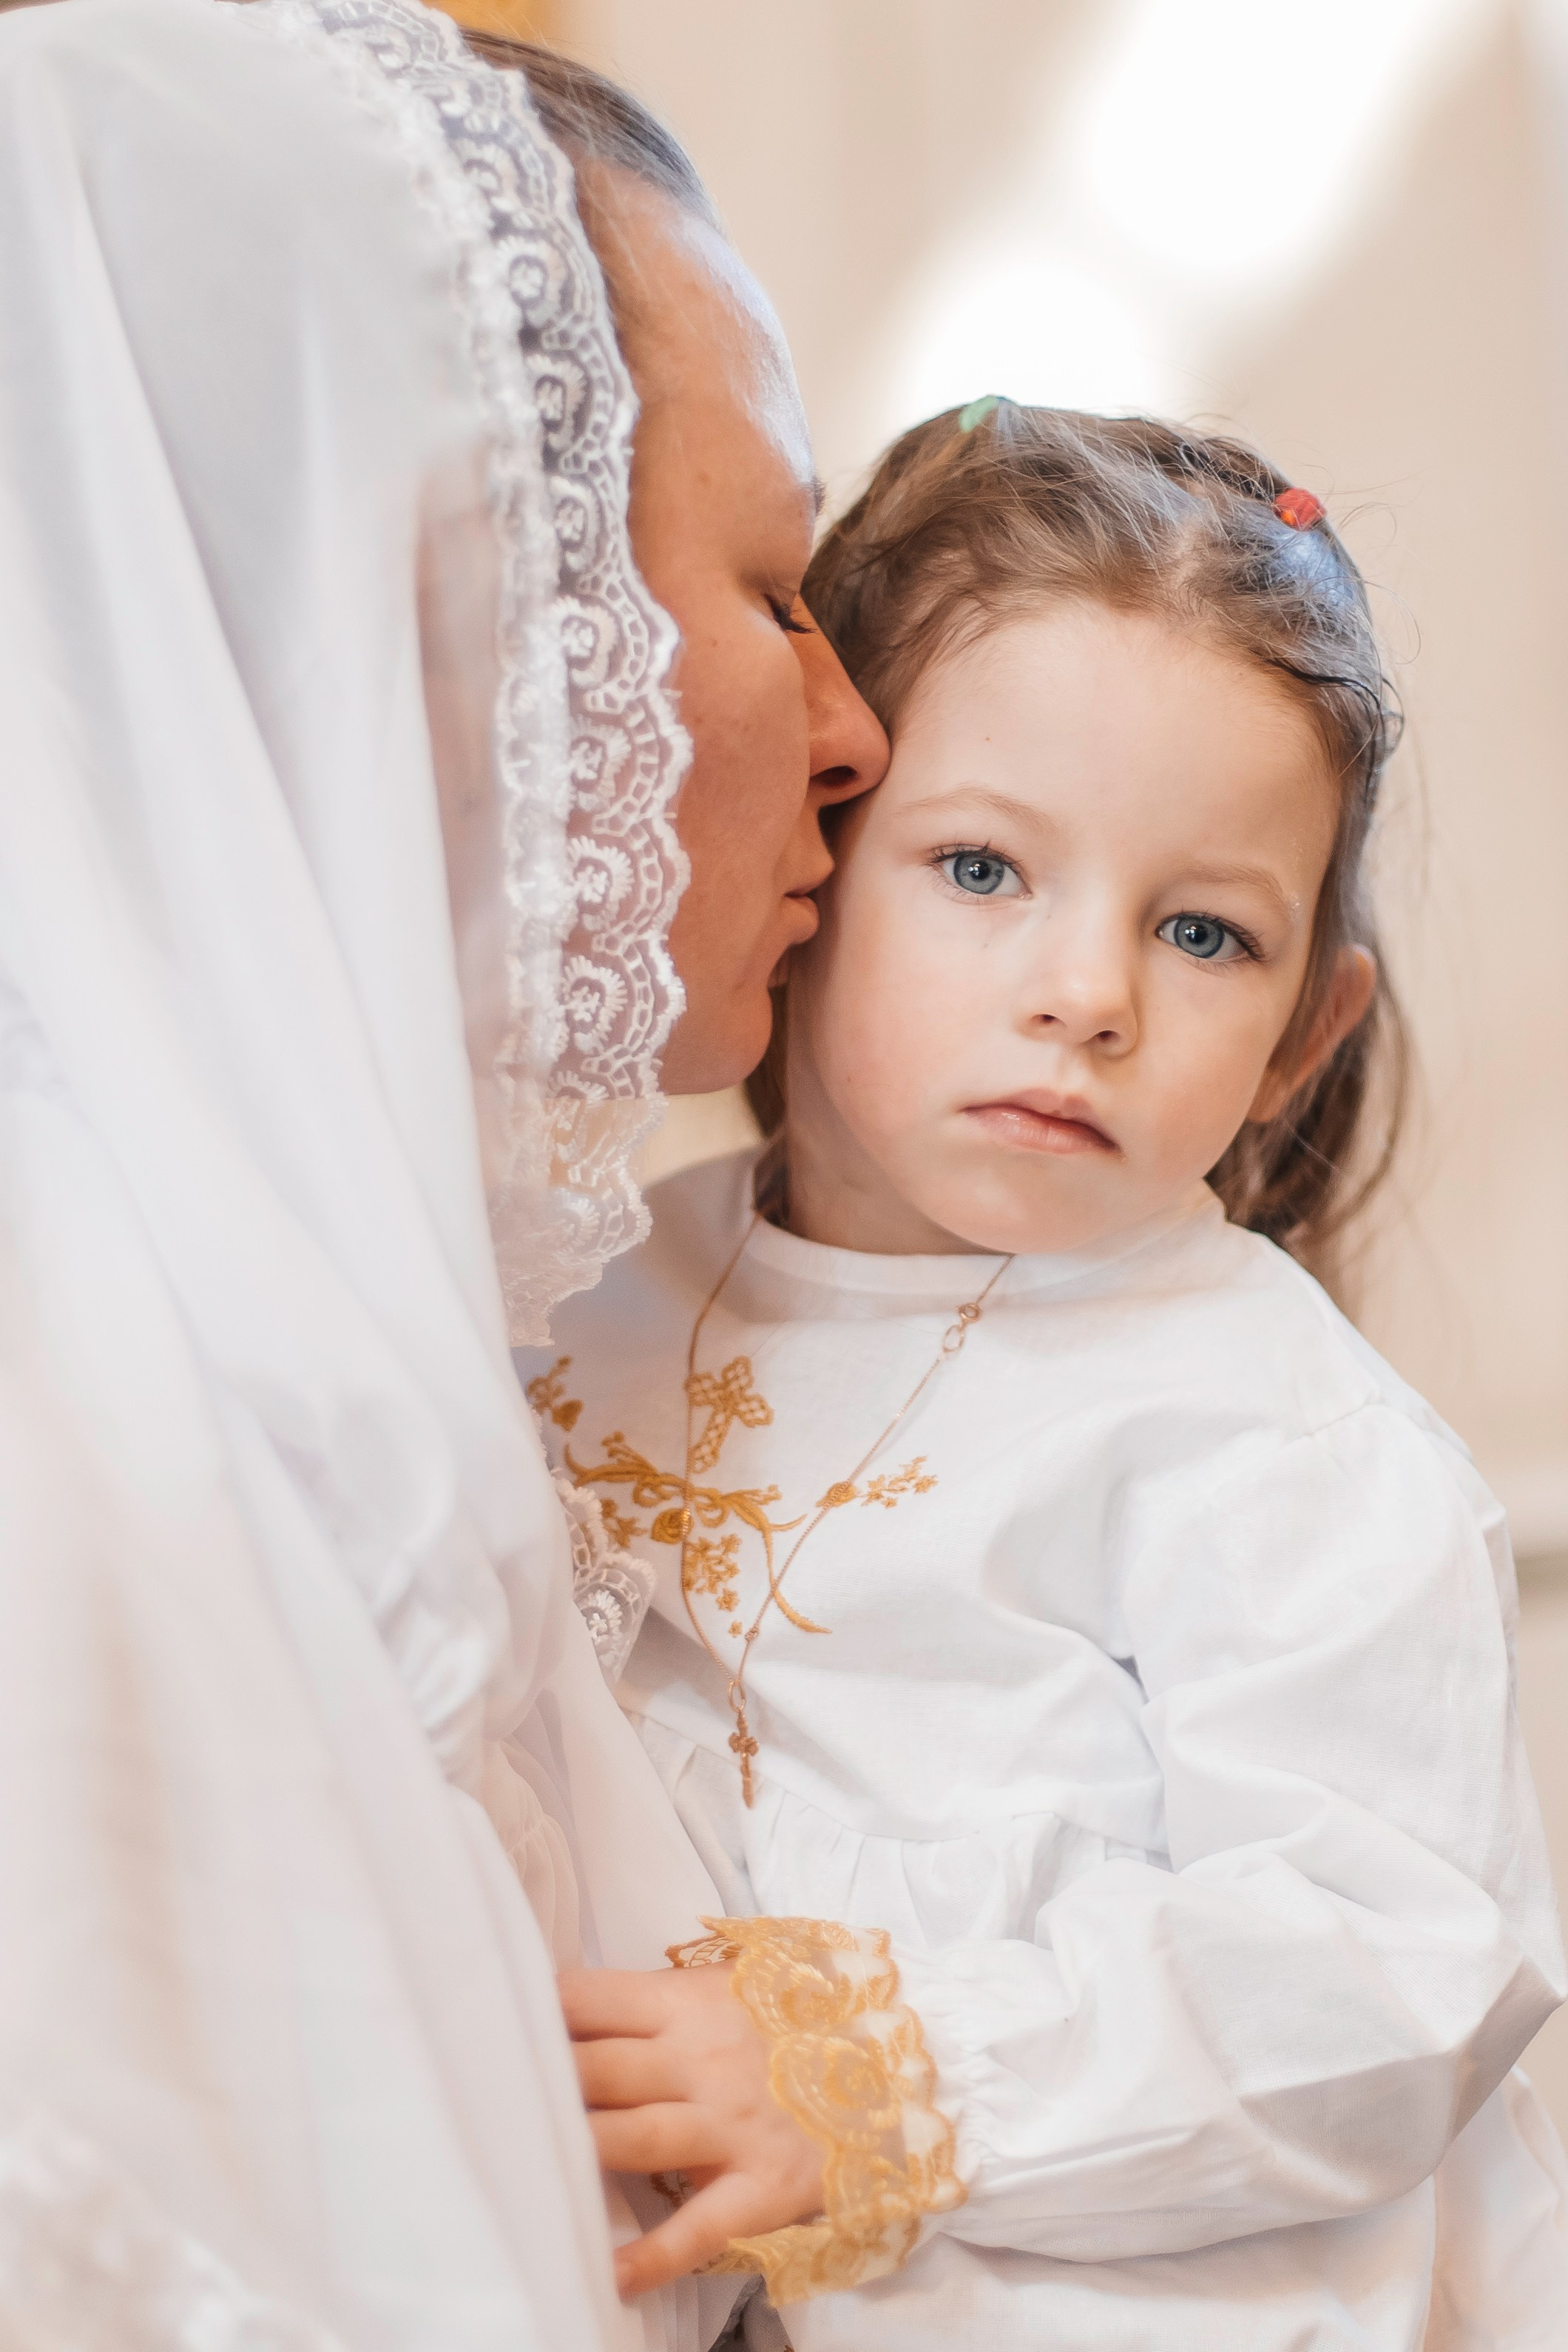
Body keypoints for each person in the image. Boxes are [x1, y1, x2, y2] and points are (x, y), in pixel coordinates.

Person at [0, 1, 879, 2345]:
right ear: (475, 618)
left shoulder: (343, 1357)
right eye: (779, 591)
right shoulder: (71, 1493)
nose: (862, 733)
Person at [521, 405, 1568, 2350]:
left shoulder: (1277, 1441)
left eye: (1201, 929)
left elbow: (1389, 1969)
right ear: (812, 850)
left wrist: (889, 2075)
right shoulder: (584, 1292)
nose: (1091, 989)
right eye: (985, 867)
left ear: (1301, 1037)